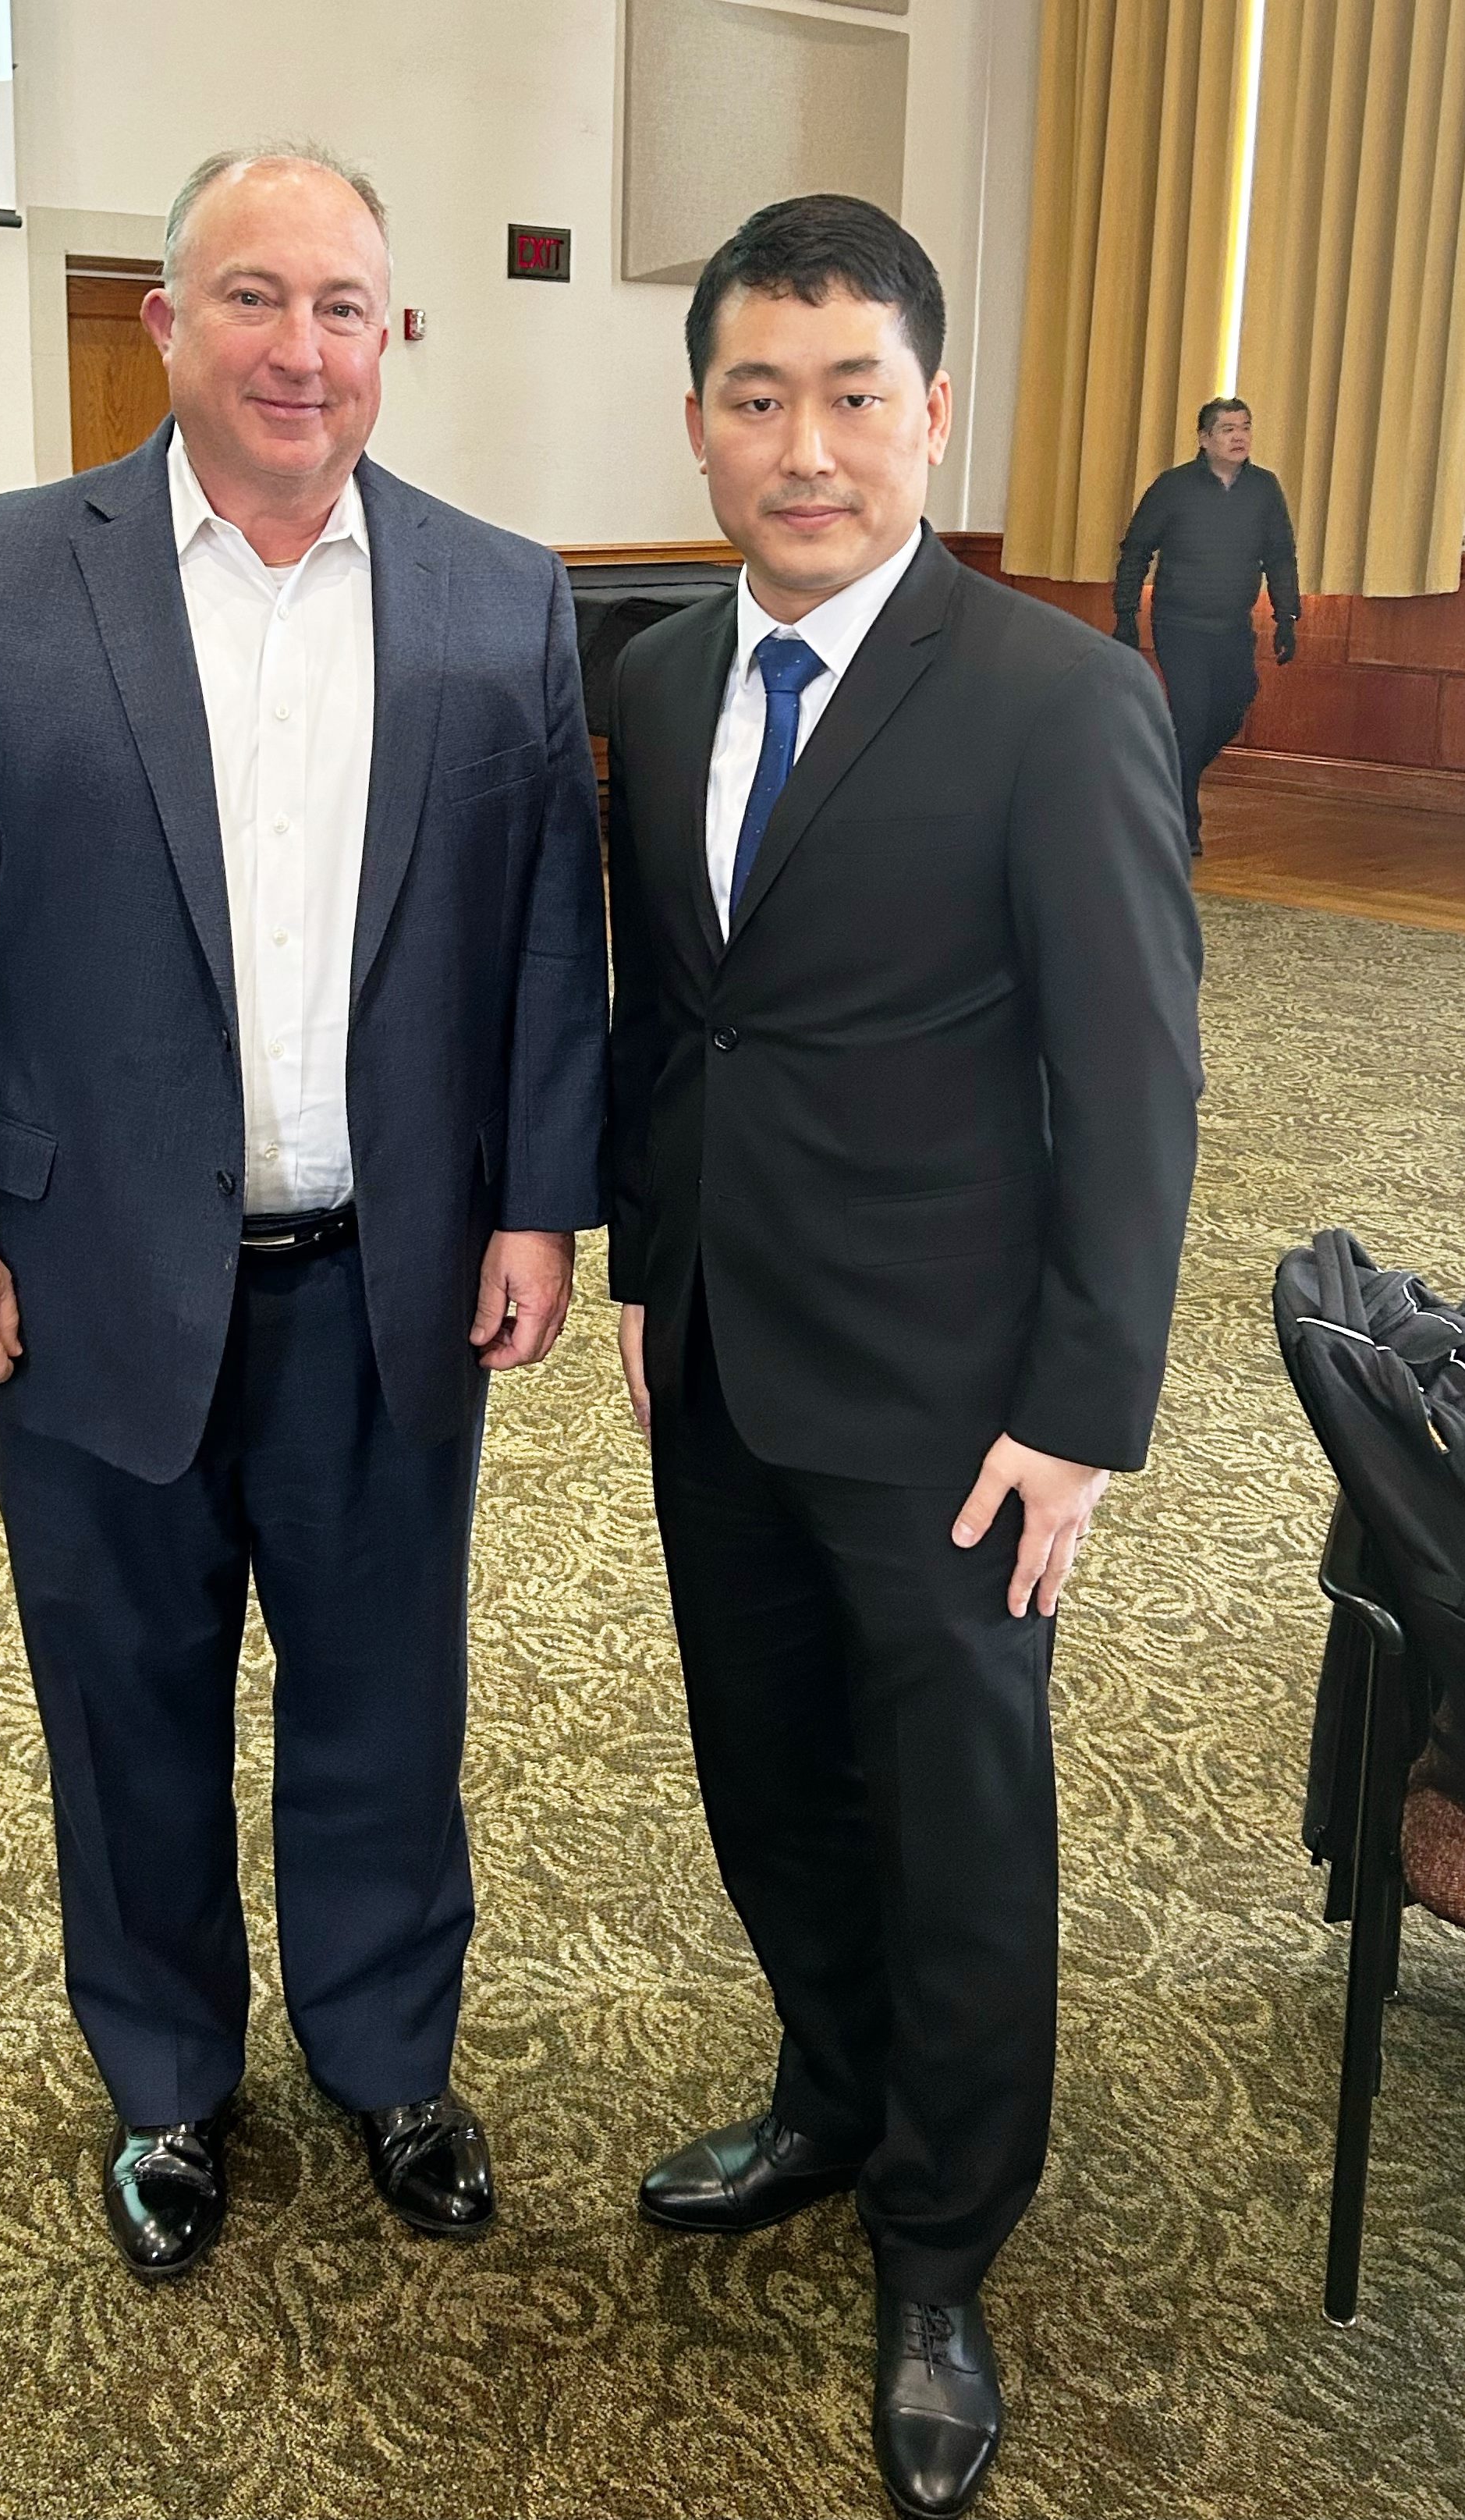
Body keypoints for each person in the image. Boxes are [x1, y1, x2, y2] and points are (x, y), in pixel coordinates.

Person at [0, 146, 607, 2282]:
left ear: (392, 336)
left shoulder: (495, 593)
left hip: (392, 1284)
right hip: (78, 1290)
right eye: (252, 298)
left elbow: (548, 940)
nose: (301, 347)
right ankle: (168, 2073)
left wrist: (543, 1205)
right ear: (164, 326)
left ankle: (385, 2055)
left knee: (385, 1698)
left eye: (344, 304)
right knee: (126, 1699)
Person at [606, 195, 1202, 2518]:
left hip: (964, 1407)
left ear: (933, 411)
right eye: (758, 395)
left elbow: (1134, 1083)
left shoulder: (1064, 699)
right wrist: (654, 1271)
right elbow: (683, 1021)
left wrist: (1079, 1407)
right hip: (729, 1357)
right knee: (768, 1771)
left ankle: (942, 2236)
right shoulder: (654, 678)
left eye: (855, 392)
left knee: (957, 1819)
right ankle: (827, 2092)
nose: (807, 442)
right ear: (700, 423)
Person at [1113, 397, 1300, 854]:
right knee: (1191, 718)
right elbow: (1136, 551)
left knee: (1234, 707)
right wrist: (1125, 616)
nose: (1239, 437)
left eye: (1246, 428)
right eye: (1227, 429)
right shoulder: (1173, 487)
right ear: (1204, 439)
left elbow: (1279, 556)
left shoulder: (1264, 488)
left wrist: (1287, 616)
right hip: (1180, 624)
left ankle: (1170, 777)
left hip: (1234, 625)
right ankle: (1184, 823)